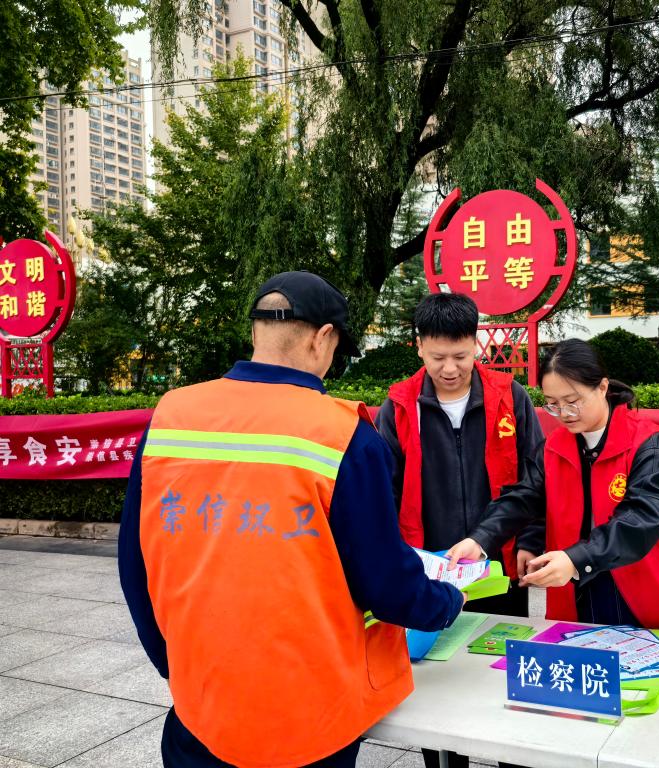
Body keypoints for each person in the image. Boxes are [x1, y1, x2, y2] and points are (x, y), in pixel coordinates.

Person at [119, 271, 464, 768]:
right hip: (309, 720)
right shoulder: (341, 433)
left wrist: (175, 668)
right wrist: (446, 603)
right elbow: (386, 584)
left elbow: (135, 565)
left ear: (256, 330)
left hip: (200, 713)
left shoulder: (171, 415)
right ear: (322, 338)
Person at [374, 292, 543, 768]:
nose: (450, 368)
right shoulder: (399, 406)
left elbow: (534, 478)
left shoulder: (509, 397)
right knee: (439, 686)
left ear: (476, 344)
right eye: (438, 357)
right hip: (432, 573)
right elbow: (384, 491)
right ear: (419, 347)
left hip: (497, 565)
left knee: (505, 675)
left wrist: (523, 539)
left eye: (461, 356)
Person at [448, 338, 659, 634]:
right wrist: (480, 540)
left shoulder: (648, 444)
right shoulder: (553, 448)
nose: (564, 413)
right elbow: (522, 498)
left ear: (602, 387)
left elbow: (643, 517)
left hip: (649, 584)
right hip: (583, 587)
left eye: (572, 401)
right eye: (553, 404)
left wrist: (576, 559)